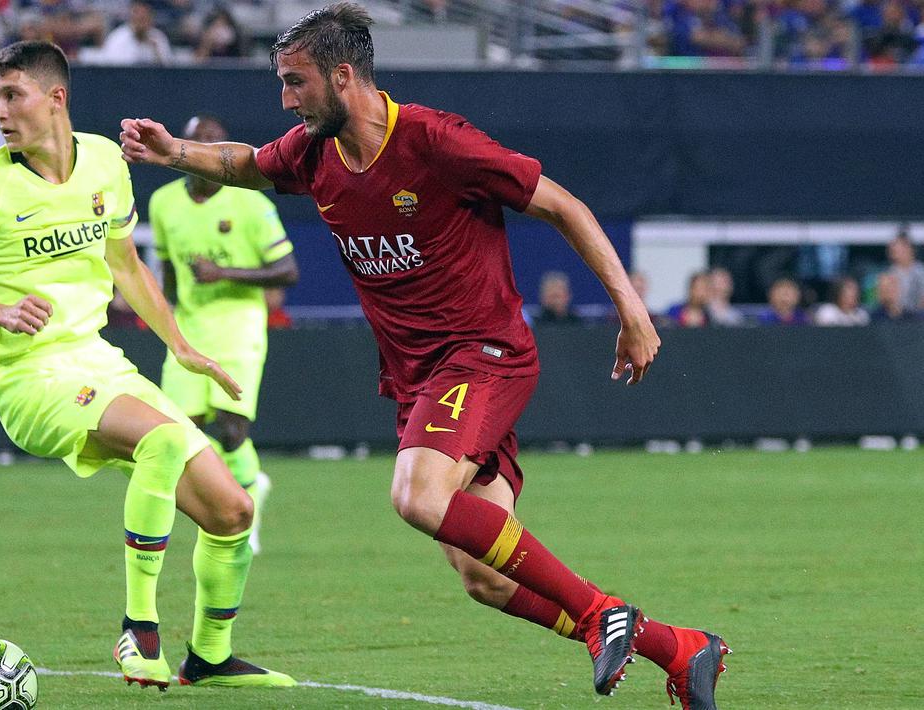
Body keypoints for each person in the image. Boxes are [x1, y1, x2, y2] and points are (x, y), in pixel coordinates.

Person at [119, 4, 728, 707]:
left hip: (482, 355)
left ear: (342, 77)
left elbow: (561, 204)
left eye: (295, 83)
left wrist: (630, 309)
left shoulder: (437, 141)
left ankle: (600, 614)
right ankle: (680, 649)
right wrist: (173, 153)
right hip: (419, 381)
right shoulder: (314, 153)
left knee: (415, 495)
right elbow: (248, 164)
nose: (285, 99)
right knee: (486, 578)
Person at [0, 40, 293, 690]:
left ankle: (209, 656)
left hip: (98, 360)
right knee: (165, 437)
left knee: (232, 511)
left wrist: (178, 344)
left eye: (13, 95)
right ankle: (137, 629)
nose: (1, 110)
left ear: (55, 97)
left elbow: (124, 263)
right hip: (30, 380)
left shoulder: (102, 163)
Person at [150, 114, 298, 555]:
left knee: (232, 430)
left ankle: (245, 504)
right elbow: (170, 272)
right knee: (176, 434)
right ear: (184, 149)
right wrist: (168, 321)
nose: (208, 151)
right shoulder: (163, 203)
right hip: (189, 329)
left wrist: (223, 273)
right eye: (198, 143)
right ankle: (225, 504)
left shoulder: (251, 204)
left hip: (239, 326)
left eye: (217, 144)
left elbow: (287, 270)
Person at [886, 231, 924, 313]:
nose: (893, 252)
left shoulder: (921, 270)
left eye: (897, 248)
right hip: (898, 319)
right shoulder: (890, 273)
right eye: (892, 250)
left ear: (909, 248)